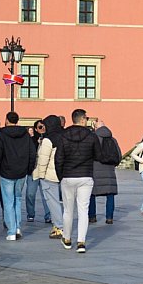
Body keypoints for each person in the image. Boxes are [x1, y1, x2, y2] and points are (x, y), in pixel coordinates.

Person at [54, 108, 101, 253]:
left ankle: (67, 239)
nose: (87, 120)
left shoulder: (63, 135)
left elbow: (58, 158)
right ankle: (81, 242)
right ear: (82, 119)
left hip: (68, 176)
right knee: (83, 210)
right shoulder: (91, 136)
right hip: (85, 176)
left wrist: (61, 176)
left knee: (68, 211)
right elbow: (99, 155)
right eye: (86, 118)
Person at [0, 111, 37, 241]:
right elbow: (32, 153)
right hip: (21, 171)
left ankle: (11, 231)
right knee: (18, 199)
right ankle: (18, 227)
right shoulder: (25, 135)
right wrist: (29, 169)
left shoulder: (1, 135)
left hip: (6, 171)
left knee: (8, 201)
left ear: (7, 120)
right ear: (17, 120)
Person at [34, 115, 65, 239]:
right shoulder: (64, 136)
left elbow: (43, 159)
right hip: (62, 173)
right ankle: (62, 225)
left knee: (53, 202)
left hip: (49, 175)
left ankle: (59, 227)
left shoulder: (48, 140)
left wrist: (40, 175)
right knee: (64, 202)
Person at [89, 121, 120, 224]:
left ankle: (92, 216)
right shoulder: (113, 139)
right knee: (110, 194)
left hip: (95, 170)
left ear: (96, 128)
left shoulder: (93, 138)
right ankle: (109, 217)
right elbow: (119, 155)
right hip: (110, 171)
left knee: (92, 194)